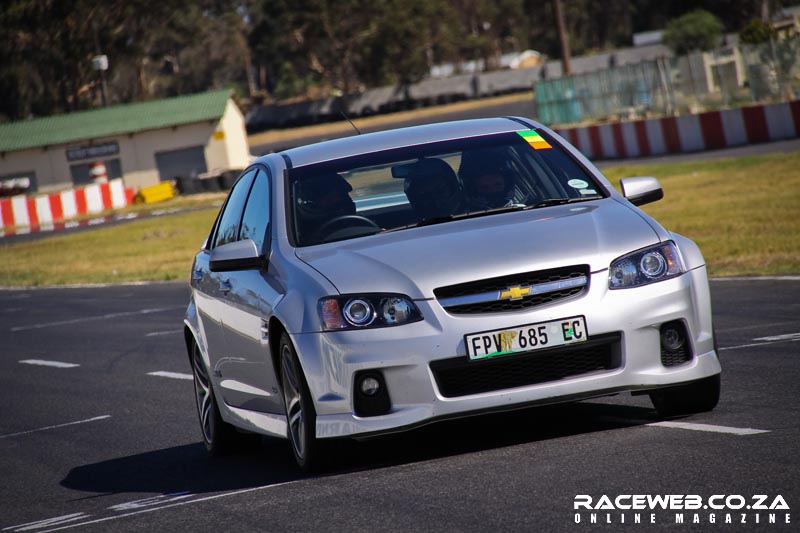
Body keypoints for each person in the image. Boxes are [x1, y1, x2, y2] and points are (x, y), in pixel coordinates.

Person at [294, 172, 356, 243]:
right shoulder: (303, 225)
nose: (339, 199)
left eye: (342, 195)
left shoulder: (350, 214)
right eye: (328, 197)